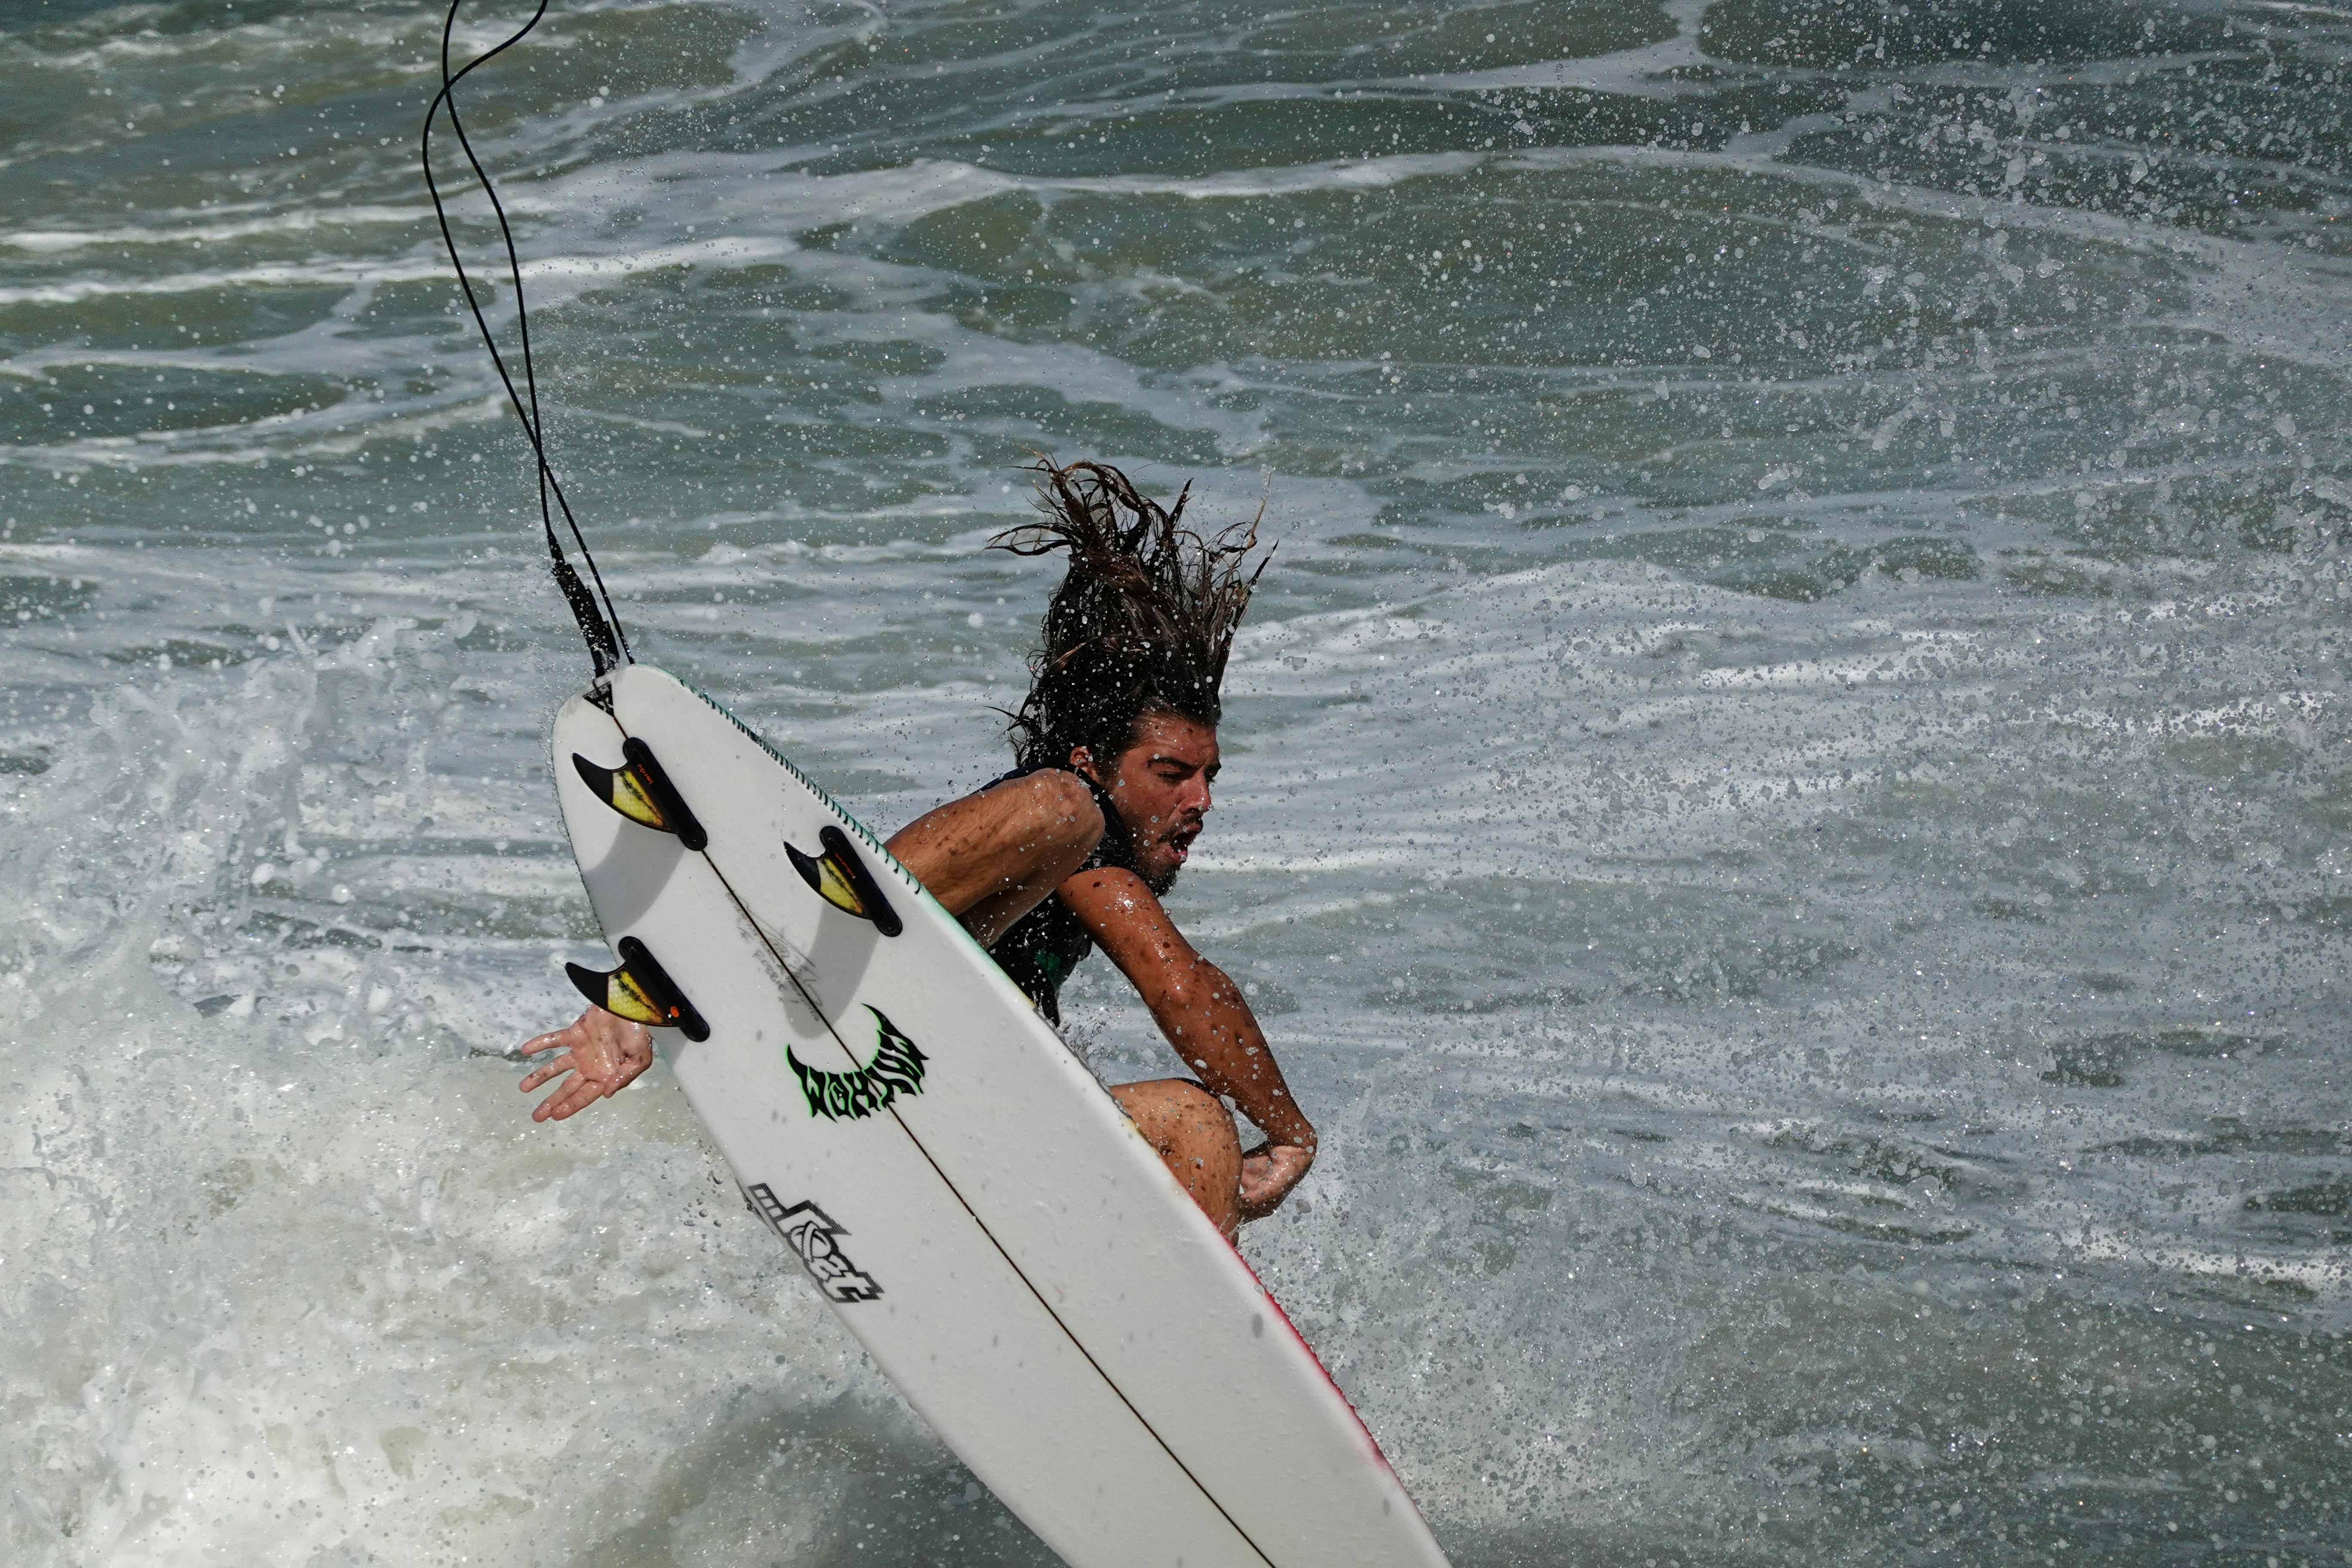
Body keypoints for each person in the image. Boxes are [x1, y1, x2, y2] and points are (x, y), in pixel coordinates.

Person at [517, 459, 1314, 1239]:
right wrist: (1288, 1132)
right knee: (1062, 814)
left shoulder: (1086, 857)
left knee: (1195, 1127)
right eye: (1171, 773)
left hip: (945, 1120)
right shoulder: (1074, 817)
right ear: (1091, 757)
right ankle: (758, 943)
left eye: (1208, 776)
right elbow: (1182, 987)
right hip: (851, 1067)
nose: (1199, 801)